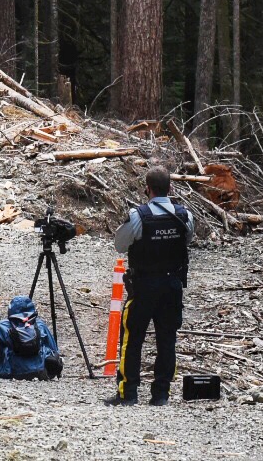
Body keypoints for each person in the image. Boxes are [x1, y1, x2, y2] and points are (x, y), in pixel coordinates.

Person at [107, 166, 193, 406]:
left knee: (132, 339)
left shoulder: (139, 216)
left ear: (147, 189)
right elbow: (187, 239)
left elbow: (120, 246)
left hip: (144, 286)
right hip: (172, 285)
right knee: (167, 339)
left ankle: (128, 393)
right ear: (171, 188)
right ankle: (161, 395)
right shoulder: (184, 215)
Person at [0, 295, 62, 380]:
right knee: (58, 360)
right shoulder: (39, 324)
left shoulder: (2, 325)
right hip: (40, 371)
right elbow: (54, 349)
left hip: (12, 372)